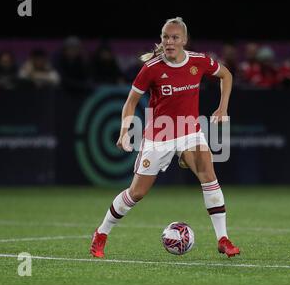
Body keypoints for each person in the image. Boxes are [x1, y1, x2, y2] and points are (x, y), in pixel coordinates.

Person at [90, 17, 240, 258]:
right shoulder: (151, 69)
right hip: (159, 136)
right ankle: (101, 233)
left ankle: (223, 239)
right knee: (136, 193)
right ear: (161, 39)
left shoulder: (199, 61)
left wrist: (223, 108)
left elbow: (227, 75)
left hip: (190, 132)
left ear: (184, 40)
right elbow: (131, 103)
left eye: (175, 37)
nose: (169, 42)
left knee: (209, 176)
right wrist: (124, 131)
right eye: (166, 37)